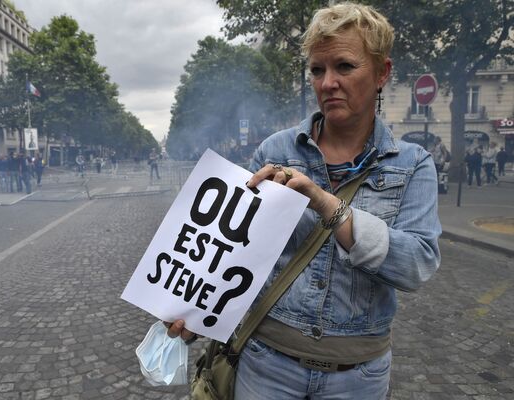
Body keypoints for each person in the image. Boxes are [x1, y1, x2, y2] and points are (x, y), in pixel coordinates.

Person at [166, 3, 441, 399]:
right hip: (266, 366)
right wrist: (195, 309)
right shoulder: (275, 151)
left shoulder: (413, 165)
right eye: (317, 69)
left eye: (344, 66)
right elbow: (236, 254)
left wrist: (327, 206)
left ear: (382, 73)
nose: (327, 82)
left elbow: (416, 264)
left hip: (357, 377)